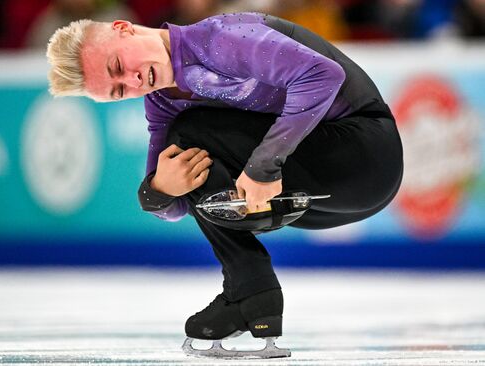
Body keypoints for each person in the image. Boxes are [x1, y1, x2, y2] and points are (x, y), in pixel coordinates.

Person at [46, 12, 403, 358]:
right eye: (119, 90)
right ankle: (251, 291)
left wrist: (265, 163)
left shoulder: (218, 37)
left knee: (187, 134)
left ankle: (250, 288)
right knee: (180, 151)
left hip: (367, 154)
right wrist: (158, 190)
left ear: (123, 29)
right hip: (321, 201)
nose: (134, 81)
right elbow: (182, 203)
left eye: (117, 66)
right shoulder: (162, 102)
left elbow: (323, 74)